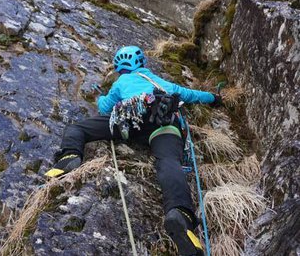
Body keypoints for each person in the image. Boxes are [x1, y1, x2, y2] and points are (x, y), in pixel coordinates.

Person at [46, 46, 222, 256]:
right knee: (168, 161)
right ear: (142, 62)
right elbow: (191, 95)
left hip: (130, 122)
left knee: (77, 128)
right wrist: (215, 98)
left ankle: (70, 156)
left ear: (119, 67)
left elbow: (105, 109)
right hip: (162, 123)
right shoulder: (161, 83)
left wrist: (101, 98)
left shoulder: (121, 82)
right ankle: (181, 214)